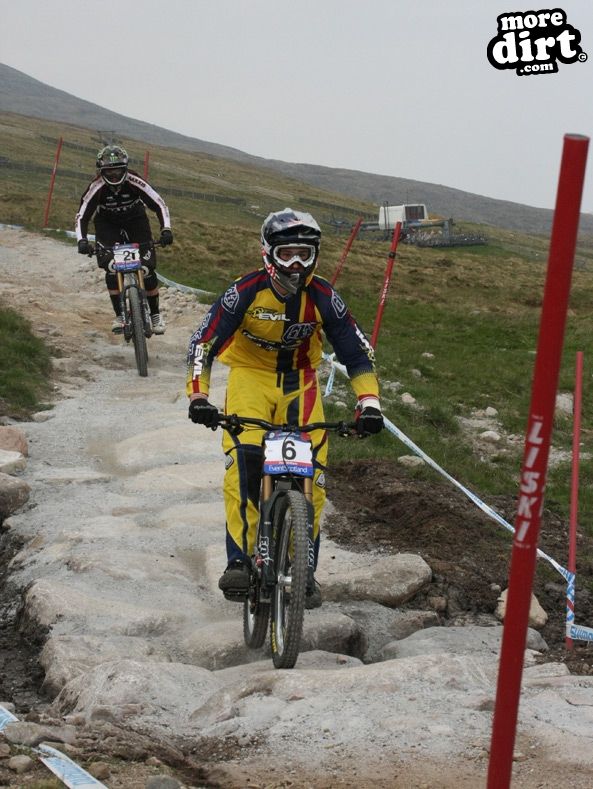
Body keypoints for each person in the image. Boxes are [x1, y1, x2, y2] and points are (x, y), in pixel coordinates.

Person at [186, 207, 383, 607]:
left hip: (301, 383)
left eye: (304, 255)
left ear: (315, 256)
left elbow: (356, 353)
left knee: (314, 477)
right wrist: (199, 396)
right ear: (268, 254)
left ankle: (303, 568)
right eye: (287, 254)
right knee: (244, 464)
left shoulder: (324, 297)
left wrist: (369, 403)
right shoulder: (245, 291)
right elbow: (203, 343)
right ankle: (239, 561)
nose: (296, 264)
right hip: (250, 378)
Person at [75, 145, 173, 334]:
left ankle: (155, 314)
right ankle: (120, 315)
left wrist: (166, 229)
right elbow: (82, 216)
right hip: (107, 224)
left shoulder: (134, 181)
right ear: (101, 171)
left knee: (146, 268)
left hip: (136, 221)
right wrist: (82, 240)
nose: (114, 175)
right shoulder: (96, 187)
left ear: (125, 169)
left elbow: (159, 203)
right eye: (109, 172)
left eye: (118, 170)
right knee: (112, 267)